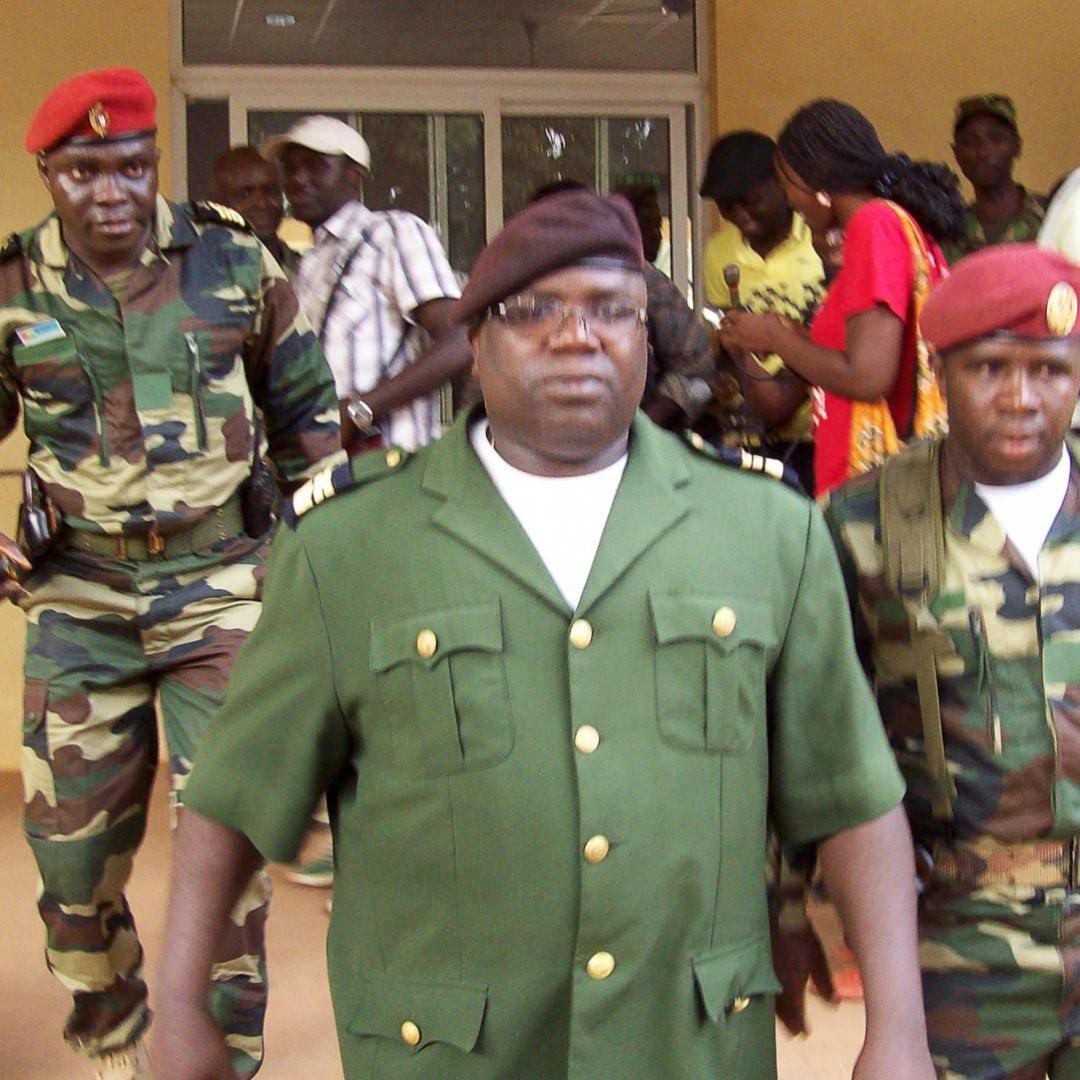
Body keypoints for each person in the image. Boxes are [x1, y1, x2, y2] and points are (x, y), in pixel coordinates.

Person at [152, 188, 934, 1080]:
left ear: (647, 338)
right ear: (473, 345)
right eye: (533, 313)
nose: (578, 337)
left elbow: (853, 796)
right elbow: (232, 800)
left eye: (613, 311)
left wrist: (898, 1032)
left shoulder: (765, 530)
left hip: (687, 1050)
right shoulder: (349, 547)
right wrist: (180, 1006)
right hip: (450, 1057)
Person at [0, 68, 343, 1080]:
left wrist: (312, 567)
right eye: (86, 170)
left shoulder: (234, 261)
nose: (113, 191)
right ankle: (108, 1019)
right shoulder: (14, 287)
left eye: (133, 167)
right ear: (49, 172)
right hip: (77, 601)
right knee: (71, 864)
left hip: (224, 588)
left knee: (228, 853)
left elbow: (311, 425)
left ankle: (222, 1058)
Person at [824, 243, 1080, 1079]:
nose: (1020, 397)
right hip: (955, 937)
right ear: (940, 369)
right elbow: (816, 741)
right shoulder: (861, 524)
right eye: (989, 368)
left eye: (1048, 369)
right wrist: (788, 908)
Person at [720, 99, 965, 497]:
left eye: (787, 185)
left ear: (815, 182)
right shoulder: (889, 223)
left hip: (875, 490)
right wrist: (792, 333)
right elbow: (866, 352)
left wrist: (775, 338)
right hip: (873, 484)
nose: (790, 201)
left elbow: (867, 376)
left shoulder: (874, 224)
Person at [262, 114, 472, 453]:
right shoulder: (304, 264)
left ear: (354, 175)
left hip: (389, 469)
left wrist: (362, 409)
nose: (298, 179)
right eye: (290, 168)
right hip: (324, 470)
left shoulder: (393, 232)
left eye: (316, 166)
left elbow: (461, 341)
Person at [700, 130, 826, 494]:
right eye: (726, 206)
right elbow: (728, 331)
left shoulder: (820, 240)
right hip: (752, 433)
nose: (739, 214)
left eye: (750, 200)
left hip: (817, 428)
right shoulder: (718, 252)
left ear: (781, 185)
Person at [943, 95, 1047, 265]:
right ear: (956, 153)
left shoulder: (1052, 217)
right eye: (969, 141)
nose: (983, 151)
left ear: (1016, 146)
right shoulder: (950, 234)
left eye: (996, 138)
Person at [209, 145, 303, 281]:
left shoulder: (308, 271)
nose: (261, 203)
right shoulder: (194, 276)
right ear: (215, 204)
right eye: (245, 194)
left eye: (270, 191)